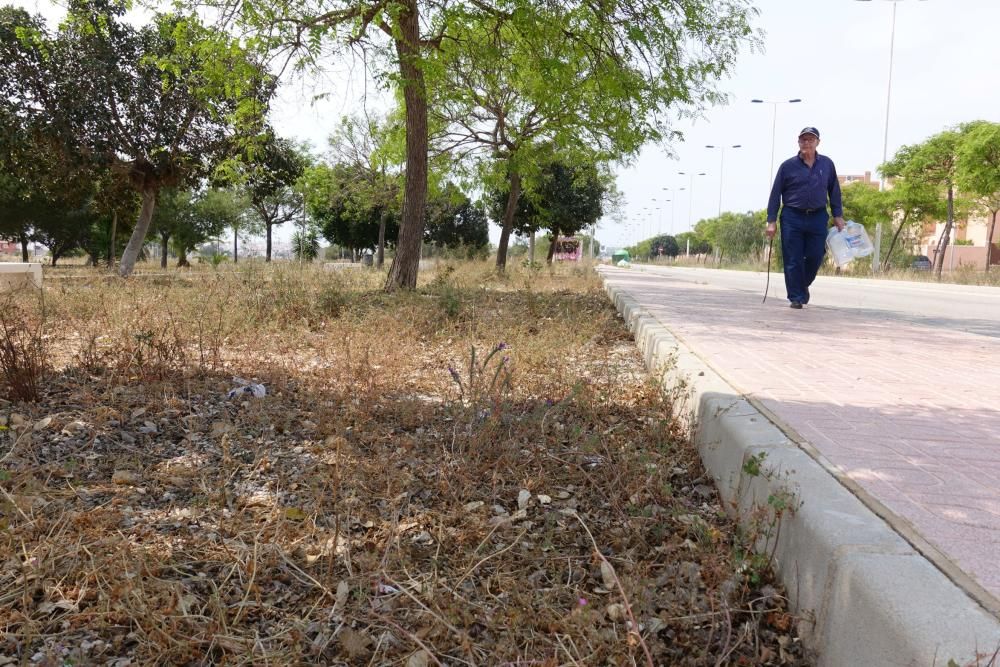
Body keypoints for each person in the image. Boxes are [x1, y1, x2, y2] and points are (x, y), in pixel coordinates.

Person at [765, 126, 845, 309]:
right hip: (792, 216)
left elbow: (834, 191)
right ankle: (796, 297)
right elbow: (775, 193)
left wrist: (838, 215)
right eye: (803, 140)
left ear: (818, 142)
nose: (806, 143)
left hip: (817, 216)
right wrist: (771, 220)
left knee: (816, 255)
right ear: (798, 142)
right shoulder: (787, 166)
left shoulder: (827, 164)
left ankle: (802, 285)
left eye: (810, 139)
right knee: (793, 258)